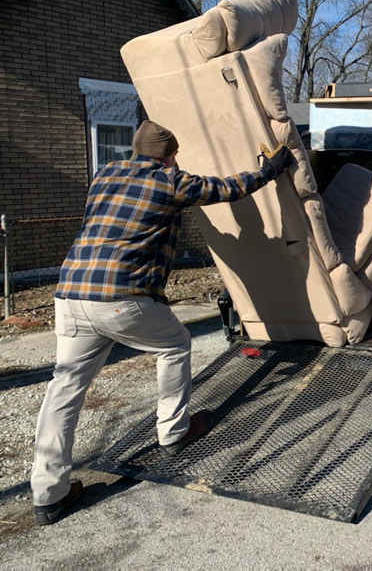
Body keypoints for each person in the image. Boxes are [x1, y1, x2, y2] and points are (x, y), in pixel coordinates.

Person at [30, 120, 292, 526]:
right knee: (174, 344)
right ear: (168, 154)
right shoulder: (169, 180)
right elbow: (226, 190)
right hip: (122, 297)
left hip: (70, 295)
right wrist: (272, 168)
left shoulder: (104, 175)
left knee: (64, 389)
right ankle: (173, 430)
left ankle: (49, 494)